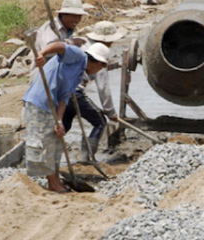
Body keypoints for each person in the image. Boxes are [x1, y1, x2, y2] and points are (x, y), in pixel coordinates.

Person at [22, 41, 110, 193]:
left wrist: (60, 120)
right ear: (95, 61)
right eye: (101, 67)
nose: (98, 71)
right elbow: (60, 46)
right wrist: (42, 54)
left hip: (54, 105)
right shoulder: (78, 56)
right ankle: (53, 184)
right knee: (46, 143)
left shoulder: (79, 74)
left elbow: (64, 97)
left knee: (57, 142)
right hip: (40, 102)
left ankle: (56, 181)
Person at [63, 21, 126, 162]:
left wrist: (116, 65)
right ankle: (86, 158)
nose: (112, 44)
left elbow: (93, 70)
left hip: (64, 91)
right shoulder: (97, 53)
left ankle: (49, 155)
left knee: (64, 125)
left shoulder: (84, 45)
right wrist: (110, 112)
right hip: (76, 92)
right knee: (100, 121)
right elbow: (103, 87)